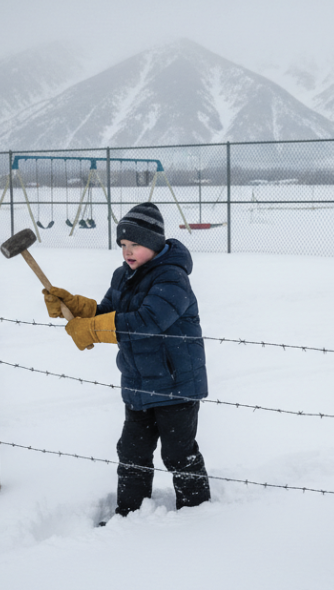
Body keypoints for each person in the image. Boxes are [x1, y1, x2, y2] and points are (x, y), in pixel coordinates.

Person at [43, 202, 211, 520]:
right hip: (138, 384)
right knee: (132, 452)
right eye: (123, 245)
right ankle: (129, 513)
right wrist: (76, 307)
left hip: (177, 386)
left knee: (178, 454)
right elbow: (110, 314)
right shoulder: (123, 276)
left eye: (136, 244)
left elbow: (147, 322)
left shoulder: (172, 278)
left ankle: (196, 515)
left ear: (156, 243)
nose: (128, 252)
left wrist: (92, 329)